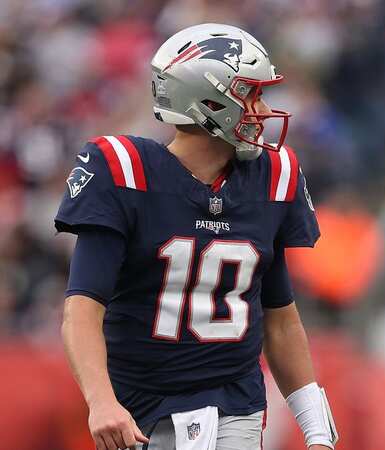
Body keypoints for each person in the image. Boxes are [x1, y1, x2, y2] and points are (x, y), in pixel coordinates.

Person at [57, 24, 338, 450]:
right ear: (210, 101)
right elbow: (82, 310)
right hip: (140, 407)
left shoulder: (273, 177)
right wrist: (101, 401)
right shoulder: (123, 171)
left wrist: (318, 431)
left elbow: (280, 318)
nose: (262, 109)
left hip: (235, 400)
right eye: (251, 94)